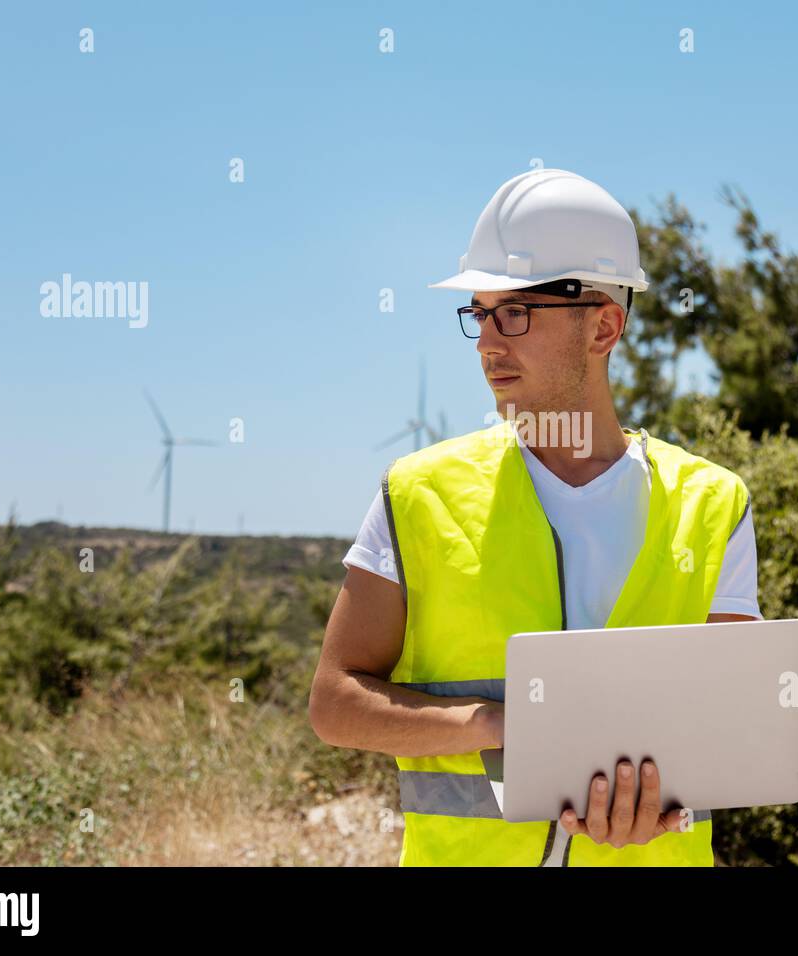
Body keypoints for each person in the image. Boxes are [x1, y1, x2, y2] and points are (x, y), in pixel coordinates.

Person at [308, 168, 761, 866]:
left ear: (604, 325)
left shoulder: (713, 504)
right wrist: (495, 725)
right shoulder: (418, 493)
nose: (489, 343)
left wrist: (654, 800)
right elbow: (335, 703)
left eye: (515, 313)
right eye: (480, 314)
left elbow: (732, 728)